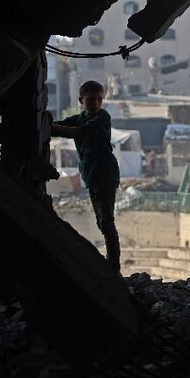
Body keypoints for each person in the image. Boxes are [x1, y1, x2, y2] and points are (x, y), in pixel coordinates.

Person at [49, 80, 122, 271]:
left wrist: (50, 127)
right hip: (93, 177)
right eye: (91, 99)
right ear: (81, 100)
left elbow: (78, 132)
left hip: (105, 176)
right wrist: (48, 123)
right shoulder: (81, 118)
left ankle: (114, 266)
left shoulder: (102, 118)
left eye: (99, 99)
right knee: (102, 222)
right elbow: (61, 125)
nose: (95, 103)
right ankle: (112, 264)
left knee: (106, 222)